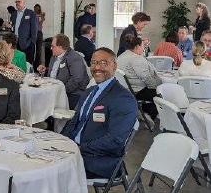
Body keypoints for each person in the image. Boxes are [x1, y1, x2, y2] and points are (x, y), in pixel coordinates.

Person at [62, 47, 138, 179]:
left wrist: (79, 149)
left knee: (49, 172)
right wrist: (61, 142)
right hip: (73, 151)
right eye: (94, 62)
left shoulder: (123, 98)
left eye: (103, 63)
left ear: (114, 66)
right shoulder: (89, 91)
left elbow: (115, 140)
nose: (97, 67)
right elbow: (74, 122)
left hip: (97, 160)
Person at [37, 34, 89, 109]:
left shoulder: (74, 58)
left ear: (60, 47)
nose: (51, 48)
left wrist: (61, 90)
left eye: (53, 46)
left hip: (72, 94)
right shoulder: (55, 56)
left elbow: (76, 79)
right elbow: (56, 72)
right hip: (54, 90)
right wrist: (45, 70)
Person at [117, 34, 161, 122]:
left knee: (155, 93)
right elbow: (146, 77)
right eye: (143, 46)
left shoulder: (122, 56)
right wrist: (157, 86)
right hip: (136, 91)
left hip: (124, 89)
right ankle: (148, 115)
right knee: (162, 93)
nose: (143, 49)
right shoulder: (136, 58)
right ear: (137, 46)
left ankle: (144, 112)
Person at [10, 0, 38, 65]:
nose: (17, 3)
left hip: (27, 43)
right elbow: (12, 26)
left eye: (19, 2)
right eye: (16, 2)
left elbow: (34, 29)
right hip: (16, 43)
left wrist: (32, 42)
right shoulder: (13, 14)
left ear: (24, 3)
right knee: (17, 63)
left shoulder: (31, 13)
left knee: (27, 63)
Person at [33, 3, 45, 70]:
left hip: (39, 33)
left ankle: (37, 66)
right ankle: (32, 65)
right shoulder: (32, 15)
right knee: (32, 50)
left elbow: (40, 22)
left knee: (38, 51)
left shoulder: (41, 15)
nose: (36, 9)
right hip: (33, 33)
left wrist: (41, 16)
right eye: (35, 8)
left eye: (37, 8)